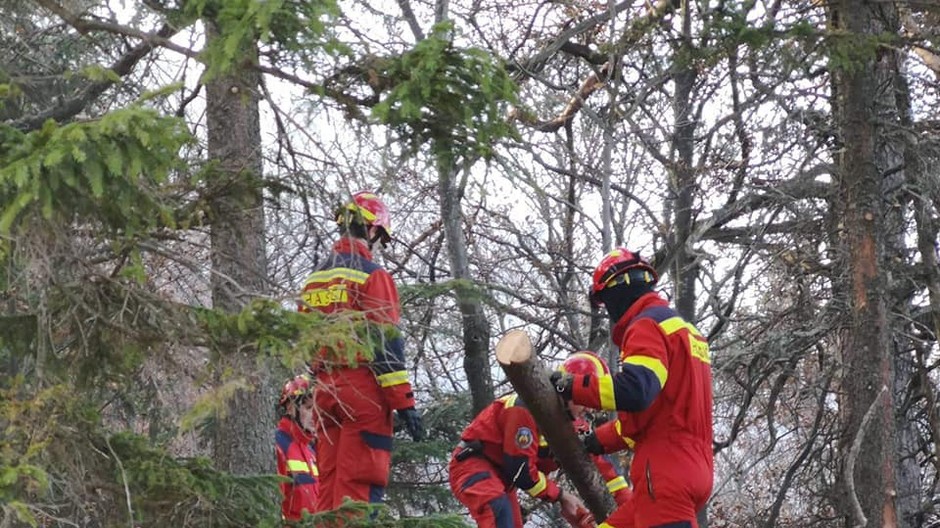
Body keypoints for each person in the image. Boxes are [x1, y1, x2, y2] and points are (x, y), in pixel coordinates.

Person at [550, 247, 713, 528]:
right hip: (691, 469)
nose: (608, 310)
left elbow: (635, 392)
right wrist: (595, 441)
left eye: (604, 301)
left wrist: (571, 386)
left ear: (617, 291)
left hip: (664, 476)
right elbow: (650, 417)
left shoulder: (647, 324)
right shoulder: (685, 332)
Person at [298, 191, 424, 511]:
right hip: (362, 391)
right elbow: (385, 342)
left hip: (323, 392)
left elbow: (303, 340)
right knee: (359, 486)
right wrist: (405, 404)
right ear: (372, 230)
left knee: (328, 483)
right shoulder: (372, 275)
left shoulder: (314, 281)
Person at [448, 391, 592, 528]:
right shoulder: (525, 409)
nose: (589, 409)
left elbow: (535, 472)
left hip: (504, 479)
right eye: (584, 399)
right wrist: (561, 496)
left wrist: (567, 505)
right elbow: (522, 472)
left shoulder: (565, 424)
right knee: (498, 510)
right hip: (473, 465)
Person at [275, 373, 320, 521]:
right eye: (309, 408)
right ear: (291, 408)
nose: (316, 416)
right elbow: (275, 506)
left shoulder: (310, 450)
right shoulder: (279, 445)